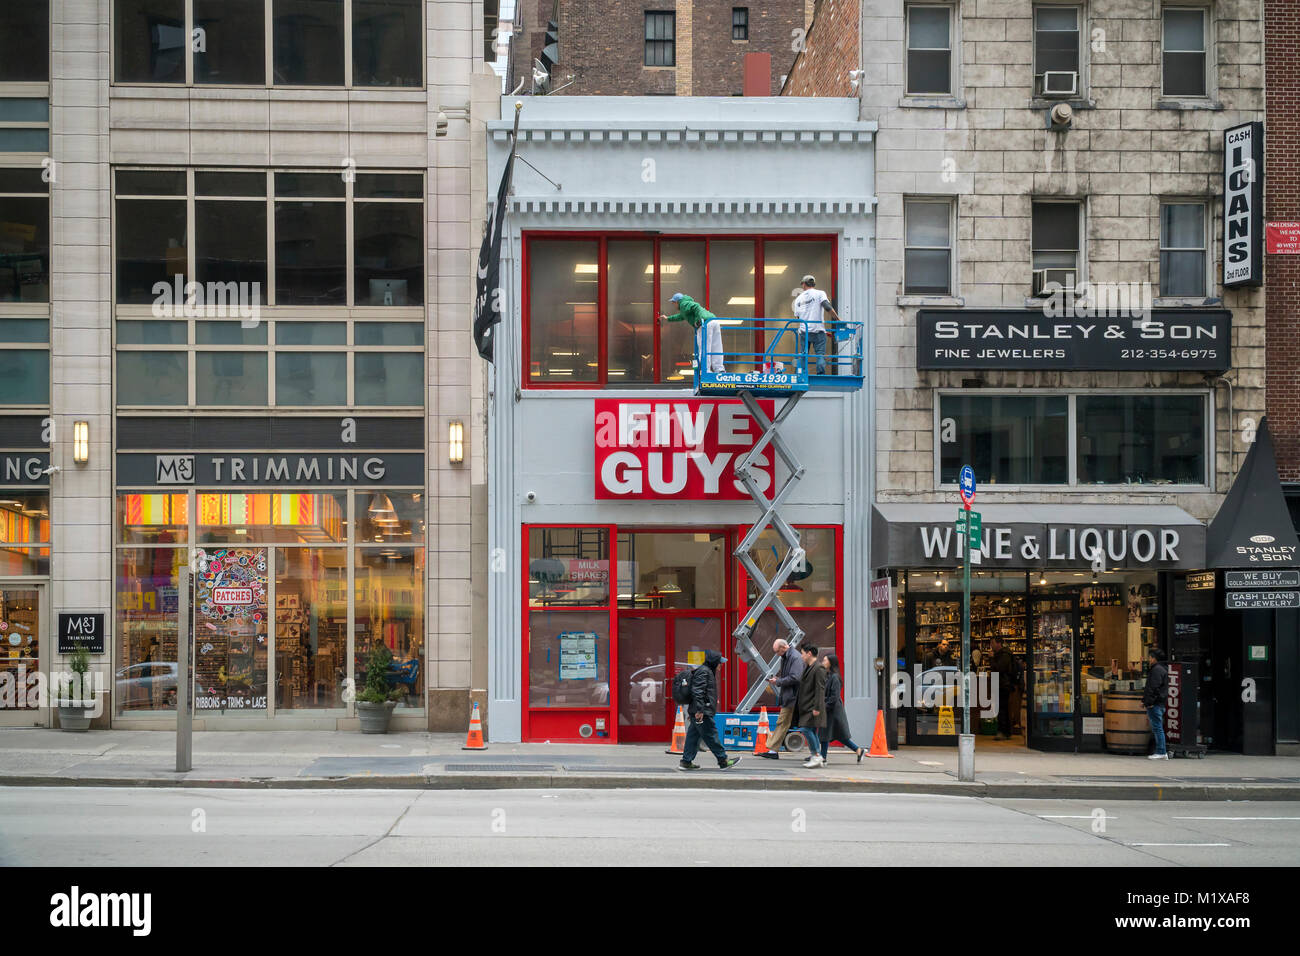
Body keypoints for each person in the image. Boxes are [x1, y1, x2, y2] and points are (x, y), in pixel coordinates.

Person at [678, 649, 742, 770]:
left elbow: (701, 692)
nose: (720, 665)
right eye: (719, 662)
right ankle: (723, 760)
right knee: (711, 735)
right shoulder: (704, 672)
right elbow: (698, 691)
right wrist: (699, 710)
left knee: (693, 737)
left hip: (699, 710)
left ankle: (686, 762)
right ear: (713, 662)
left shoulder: (706, 671)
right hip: (703, 712)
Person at [758, 638, 805, 759]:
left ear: (783, 648)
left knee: (783, 722)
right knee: (784, 723)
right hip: (791, 696)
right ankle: (772, 750)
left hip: (792, 697)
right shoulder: (788, 657)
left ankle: (772, 750)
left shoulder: (794, 657)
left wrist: (778, 681)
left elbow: (795, 677)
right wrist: (779, 680)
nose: (776, 654)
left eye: (777, 651)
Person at [659, 292, 725, 374]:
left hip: (705, 324)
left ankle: (706, 370)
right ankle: (719, 369)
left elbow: (696, 307)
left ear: (677, 302)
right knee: (716, 346)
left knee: (704, 347)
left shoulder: (683, 304)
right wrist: (668, 318)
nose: (674, 305)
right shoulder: (685, 308)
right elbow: (680, 317)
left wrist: (700, 319)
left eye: (673, 303)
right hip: (713, 321)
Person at [819, 653, 866, 763]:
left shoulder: (835, 677)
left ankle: (823, 758)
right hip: (830, 709)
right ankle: (858, 750)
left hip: (833, 710)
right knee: (837, 734)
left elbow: (834, 697)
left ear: (831, 662)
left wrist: (824, 707)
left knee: (826, 733)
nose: (823, 662)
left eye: (825, 660)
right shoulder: (828, 675)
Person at [792, 275, 842, 376]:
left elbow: (797, 317)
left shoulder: (798, 299)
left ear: (804, 284)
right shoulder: (820, 293)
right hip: (818, 331)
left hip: (804, 332)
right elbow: (827, 307)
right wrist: (838, 320)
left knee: (803, 354)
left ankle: (800, 374)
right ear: (813, 283)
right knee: (820, 355)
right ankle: (820, 374)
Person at [792, 644, 827, 768]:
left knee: (806, 729)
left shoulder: (819, 668)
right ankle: (816, 756)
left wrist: (817, 708)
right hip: (806, 706)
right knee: (810, 730)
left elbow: (820, 689)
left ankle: (816, 755)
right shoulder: (809, 667)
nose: (801, 656)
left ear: (809, 653)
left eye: (802, 653)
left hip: (812, 707)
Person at [989, 636, 1019, 741]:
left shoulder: (1005, 654)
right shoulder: (1003, 654)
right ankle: (1006, 732)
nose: (991, 645)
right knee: (1003, 709)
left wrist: (992, 658)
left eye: (992, 643)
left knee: (1002, 709)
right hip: (1002, 684)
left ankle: (1003, 732)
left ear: (999, 643)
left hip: (1003, 685)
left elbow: (999, 669)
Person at [1142, 648, 1170, 760]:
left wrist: (1149, 702)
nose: (1149, 659)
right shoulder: (1162, 669)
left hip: (1155, 704)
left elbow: (1153, 688)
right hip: (1159, 703)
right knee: (1158, 728)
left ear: (1154, 658)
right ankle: (1161, 751)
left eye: (1150, 657)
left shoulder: (1156, 670)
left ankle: (1161, 751)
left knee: (1157, 728)